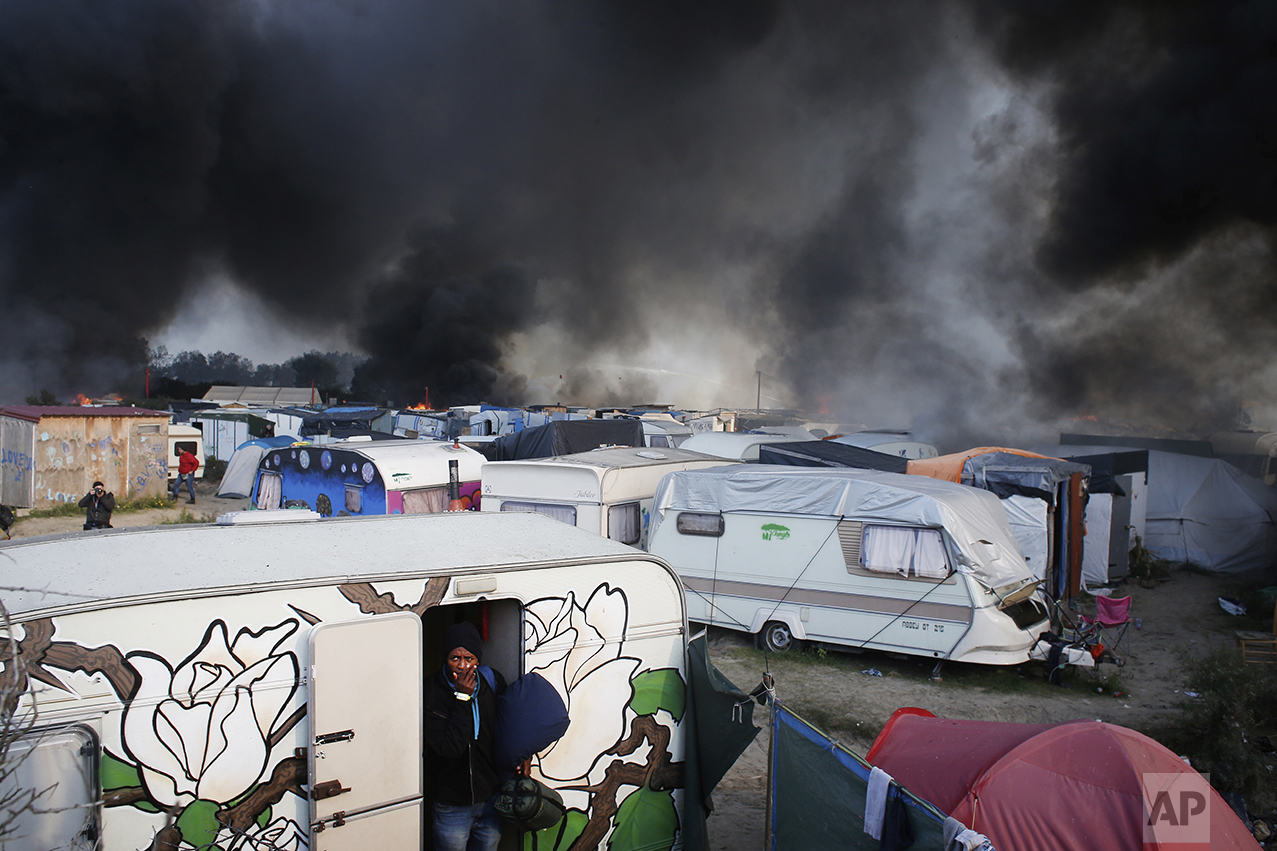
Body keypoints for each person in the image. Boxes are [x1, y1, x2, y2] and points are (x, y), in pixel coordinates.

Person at [424, 621, 505, 851]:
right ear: (445, 659)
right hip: (452, 804)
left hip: (490, 798)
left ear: (478, 660)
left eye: (468, 659)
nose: (461, 666)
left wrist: (523, 755)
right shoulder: (431, 691)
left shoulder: (492, 681)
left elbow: (508, 727)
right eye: (454, 658)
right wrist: (462, 699)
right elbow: (449, 749)